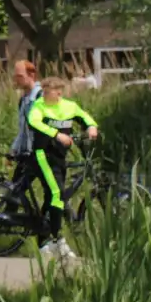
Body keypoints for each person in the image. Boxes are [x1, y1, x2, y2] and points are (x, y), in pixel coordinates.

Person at [25, 76, 98, 260]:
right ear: (45, 91)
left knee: (52, 196)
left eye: (59, 90)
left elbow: (85, 117)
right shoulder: (39, 107)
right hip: (43, 155)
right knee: (57, 193)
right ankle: (58, 240)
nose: (57, 94)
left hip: (59, 158)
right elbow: (34, 122)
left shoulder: (68, 106)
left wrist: (91, 127)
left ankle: (43, 240)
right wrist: (57, 135)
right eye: (53, 90)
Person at [1, 60, 43, 211]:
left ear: (31, 75)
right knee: (14, 189)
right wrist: (14, 150)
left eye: (19, 76)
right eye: (15, 76)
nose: (16, 80)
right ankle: (6, 225)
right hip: (26, 154)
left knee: (53, 191)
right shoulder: (23, 100)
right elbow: (23, 130)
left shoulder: (40, 97)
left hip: (39, 153)